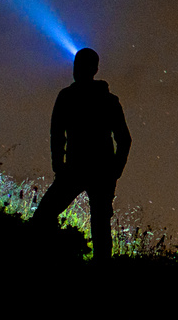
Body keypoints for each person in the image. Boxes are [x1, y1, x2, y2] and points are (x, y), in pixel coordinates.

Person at [34, 47, 131, 262]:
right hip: (95, 170)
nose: (76, 70)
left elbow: (57, 134)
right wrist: (115, 170)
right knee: (100, 226)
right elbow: (124, 139)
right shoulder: (106, 100)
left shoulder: (69, 97)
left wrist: (59, 164)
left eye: (79, 65)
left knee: (46, 215)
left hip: (79, 169)